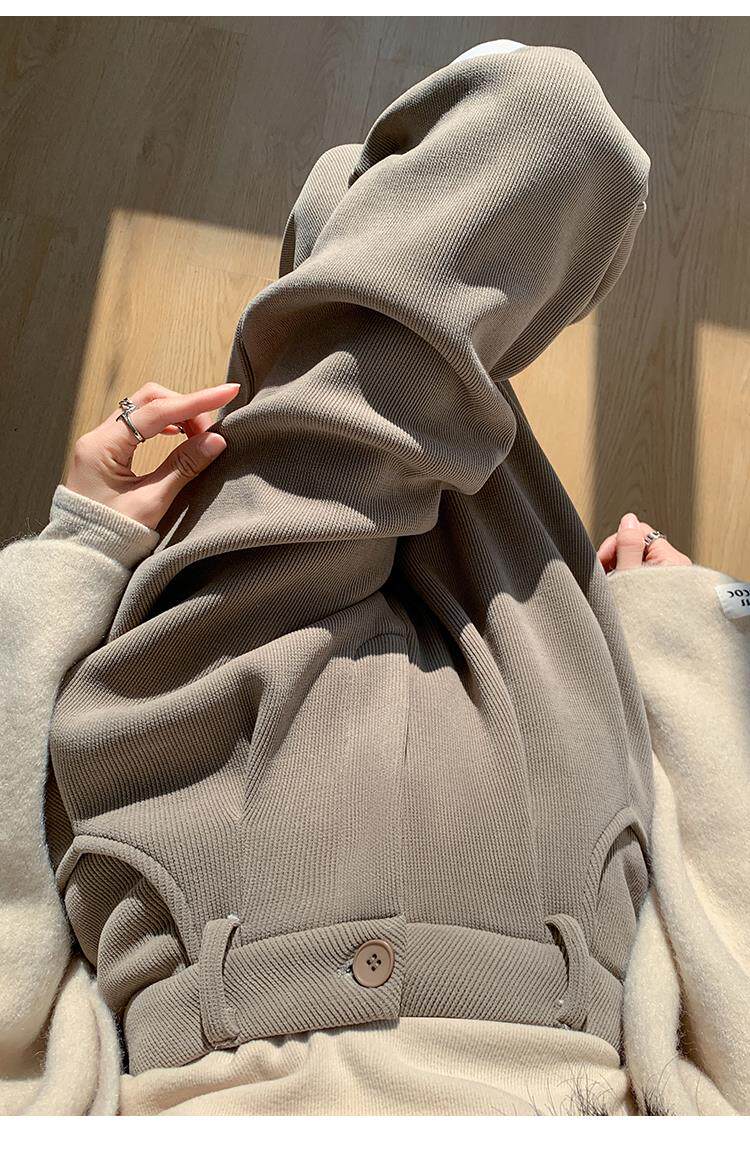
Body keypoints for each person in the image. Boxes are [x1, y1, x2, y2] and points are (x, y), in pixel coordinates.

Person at [1, 41, 748, 1117]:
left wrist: (71, 558)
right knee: (520, 138)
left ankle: (346, 232)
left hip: (208, 822)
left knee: (439, 188)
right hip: (547, 896)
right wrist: (694, 651)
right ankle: (348, 232)